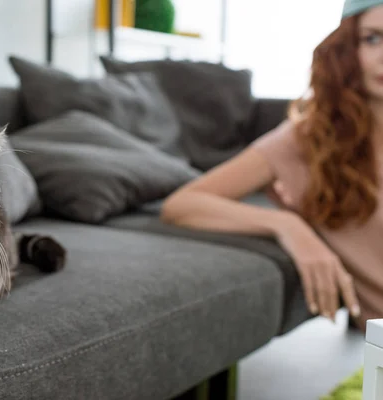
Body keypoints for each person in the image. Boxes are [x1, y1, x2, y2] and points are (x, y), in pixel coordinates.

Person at [160, 0, 383, 333]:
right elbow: (183, 204)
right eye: (373, 39)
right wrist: (287, 226)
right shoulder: (309, 140)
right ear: (346, 48)